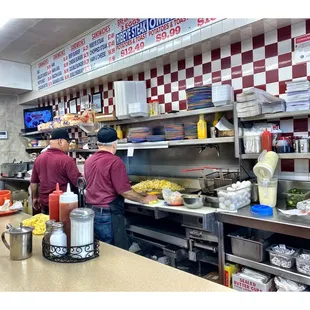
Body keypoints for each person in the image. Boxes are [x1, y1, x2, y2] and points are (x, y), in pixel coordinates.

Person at [84, 126, 157, 250]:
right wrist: (144, 199)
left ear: (98, 143)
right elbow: (125, 192)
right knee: (114, 252)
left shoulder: (89, 161)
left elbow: (102, 183)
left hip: (92, 212)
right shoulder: (114, 161)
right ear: (115, 144)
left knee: (101, 250)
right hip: (108, 215)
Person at [30, 128, 82, 215]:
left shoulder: (39, 158)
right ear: (61, 141)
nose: (68, 146)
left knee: (48, 227)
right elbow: (78, 182)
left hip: (45, 205)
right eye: (68, 142)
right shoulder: (67, 160)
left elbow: (34, 183)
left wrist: (35, 197)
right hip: (63, 205)